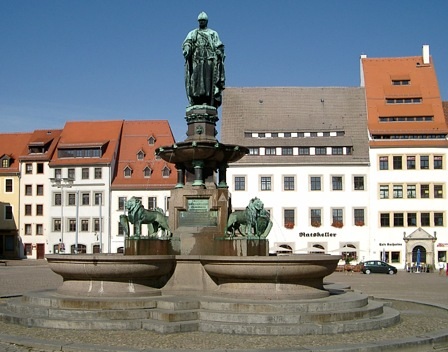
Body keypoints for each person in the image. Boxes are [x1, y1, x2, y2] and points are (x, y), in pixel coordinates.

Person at [182, 12, 225, 108]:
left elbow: (219, 45)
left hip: (208, 61)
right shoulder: (193, 33)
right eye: (200, 21)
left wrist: (219, 51)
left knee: (207, 81)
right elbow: (187, 42)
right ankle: (196, 99)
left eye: (203, 21)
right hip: (196, 60)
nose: (201, 22)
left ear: (206, 21)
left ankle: (206, 99)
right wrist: (187, 47)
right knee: (196, 80)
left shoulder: (213, 33)